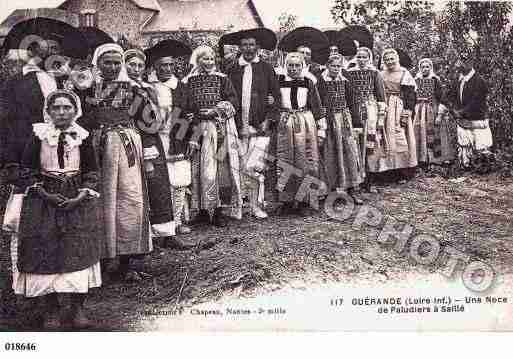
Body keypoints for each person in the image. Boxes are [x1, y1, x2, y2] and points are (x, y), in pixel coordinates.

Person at [9, 90, 101, 329]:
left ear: (75, 110)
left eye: (67, 108)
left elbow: (92, 170)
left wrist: (82, 195)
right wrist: (45, 194)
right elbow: (26, 170)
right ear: (48, 112)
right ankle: (50, 309)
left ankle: (78, 307)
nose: (62, 112)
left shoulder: (83, 137)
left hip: (76, 197)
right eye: (56, 108)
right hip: (43, 199)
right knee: (45, 249)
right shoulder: (39, 136)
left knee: (79, 249)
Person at [79, 43, 152, 281]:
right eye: (107, 62)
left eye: (116, 62)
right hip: (97, 147)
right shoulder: (87, 89)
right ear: (98, 64)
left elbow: (150, 121)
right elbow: (79, 120)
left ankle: (131, 259)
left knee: (130, 198)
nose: (112, 67)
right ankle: (103, 258)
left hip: (125, 144)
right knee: (102, 200)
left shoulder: (131, 88)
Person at [174, 45, 242, 227]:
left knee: (218, 169)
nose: (209, 62)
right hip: (197, 129)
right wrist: (193, 117)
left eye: (212, 59)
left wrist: (215, 110)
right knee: (198, 169)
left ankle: (219, 210)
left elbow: (233, 101)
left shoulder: (223, 79)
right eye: (205, 59)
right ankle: (203, 210)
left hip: (218, 127)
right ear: (197, 60)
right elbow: (183, 105)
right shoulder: (187, 82)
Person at [222, 28, 281, 219]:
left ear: (257, 47)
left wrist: (268, 119)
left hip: (260, 126)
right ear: (240, 47)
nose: (248, 48)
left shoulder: (266, 68)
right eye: (245, 45)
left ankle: (256, 205)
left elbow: (277, 98)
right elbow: (225, 96)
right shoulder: (231, 70)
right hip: (238, 126)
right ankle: (238, 206)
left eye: (252, 45)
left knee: (255, 166)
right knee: (238, 166)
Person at [143, 40, 197, 248]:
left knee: (180, 181)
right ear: (155, 67)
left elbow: (194, 114)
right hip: (156, 140)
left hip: (178, 138)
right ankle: (157, 229)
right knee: (157, 184)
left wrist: (193, 137)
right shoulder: (148, 88)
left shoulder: (182, 87)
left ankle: (174, 224)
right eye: (162, 65)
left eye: (170, 65)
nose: (166, 69)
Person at [274, 52, 327, 214]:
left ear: (302, 66)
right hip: (286, 121)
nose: (294, 68)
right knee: (285, 159)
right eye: (291, 65)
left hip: (305, 122)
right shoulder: (279, 81)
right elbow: (274, 102)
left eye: (297, 65)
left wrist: (321, 129)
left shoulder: (308, 82)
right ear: (286, 66)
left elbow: (316, 106)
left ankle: (305, 201)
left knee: (306, 160)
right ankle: (287, 201)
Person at [317, 54, 364, 204]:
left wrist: (357, 124)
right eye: (333, 66)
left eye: (338, 66)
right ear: (327, 65)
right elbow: (317, 102)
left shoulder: (345, 81)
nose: (336, 69)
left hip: (344, 120)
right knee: (330, 154)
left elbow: (353, 103)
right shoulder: (320, 81)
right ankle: (331, 191)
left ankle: (352, 189)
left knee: (350, 152)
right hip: (329, 122)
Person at [346, 47, 386, 193]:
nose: (361, 60)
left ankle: (370, 181)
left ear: (369, 58)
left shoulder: (375, 73)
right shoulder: (348, 73)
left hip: (370, 110)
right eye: (359, 57)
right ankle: (356, 181)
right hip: (354, 110)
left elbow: (381, 95)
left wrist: (381, 116)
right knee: (355, 144)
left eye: (364, 57)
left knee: (370, 145)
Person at [378, 48, 418, 183]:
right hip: (384, 106)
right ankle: (387, 171)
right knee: (384, 138)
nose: (390, 62)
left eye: (392, 59)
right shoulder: (380, 74)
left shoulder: (404, 73)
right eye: (387, 59)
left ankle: (404, 172)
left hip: (397, 107)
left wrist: (407, 112)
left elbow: (410, 95)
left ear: (397, 59)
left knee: (399, 137)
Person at [445, 53, 491, 169]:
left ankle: (483, 166)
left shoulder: (479, 81)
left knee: (480, 142)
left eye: (464, 62)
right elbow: (451, 95)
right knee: (464, 142)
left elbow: (477, 101)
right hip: (462, 119)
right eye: (460, 61)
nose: (460, 64)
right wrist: (453, 108)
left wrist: (461, 112)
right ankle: (466, 165)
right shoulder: (458, 79)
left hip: (477, 118)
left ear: (471, 63)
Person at [414, 58, 455, 169]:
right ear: (420, 68)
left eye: (427, 67)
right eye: (423, 67)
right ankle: (422, 159)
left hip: (433, 109)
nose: (425, 69)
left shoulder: (435, 80)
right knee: (420, 133)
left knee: (435, 133)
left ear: (431, 68)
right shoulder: (416, 80)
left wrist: (440, 114)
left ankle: (436, 160)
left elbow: (442, 97)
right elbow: (413, 97)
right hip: (419, 111)